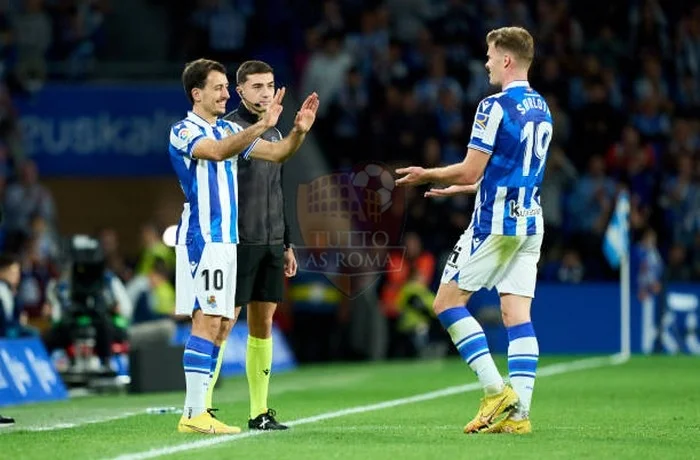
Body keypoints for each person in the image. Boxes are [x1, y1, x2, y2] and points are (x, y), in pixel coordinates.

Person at [395, 26, 552, 435]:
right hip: (530, 222)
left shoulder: (493, 106)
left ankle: (495, 391)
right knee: (517, 315)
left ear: (506, 60)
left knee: (446, 303)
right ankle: (518, 418)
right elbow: (513, 172)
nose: (485, 63)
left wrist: (426, 173)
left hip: (494, 225)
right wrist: (464, 188)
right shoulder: (542, 107)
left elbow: (470, 165)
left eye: (489, 55)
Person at [169, 58, 318, 435]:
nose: (223, 94)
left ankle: (200, 412)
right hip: (204, 236)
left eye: (225, 87)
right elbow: (217, 152)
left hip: (228, 240)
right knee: (208, 320)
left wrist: (297, 132)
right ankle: (194, 412)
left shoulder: (226, 129)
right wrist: (262, 125)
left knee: (220, 324)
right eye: (218, 88)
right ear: (196, 93)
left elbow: (276, 154)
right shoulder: (184, 130)